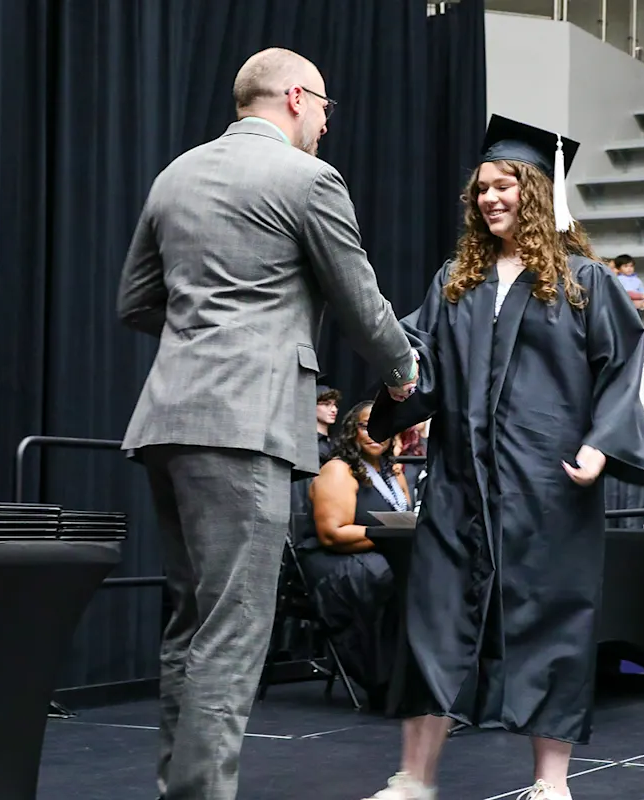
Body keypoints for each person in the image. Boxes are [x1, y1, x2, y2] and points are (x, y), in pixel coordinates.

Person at [116, 47, 418, 800]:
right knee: (234, 632)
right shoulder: (307, 178)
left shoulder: (175, 175)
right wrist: (405, 372)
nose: (324, 122)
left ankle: (177, 791)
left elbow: (135, 302)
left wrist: (207, 329)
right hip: (244, 425)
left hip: (169, 419)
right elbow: (361, 302)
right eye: (323, 106)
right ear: (293, 96)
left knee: (192, 626)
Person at [364, 115, 644, 800]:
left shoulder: (584, 282)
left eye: (505, 186)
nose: (490, 198)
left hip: (550, 488)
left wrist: (600, 445)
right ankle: (413, 779)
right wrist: (391, 374)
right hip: (459, 486)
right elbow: (419, 365)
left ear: (535, 191)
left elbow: (622, 371)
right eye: (481, 190)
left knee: (551, 623)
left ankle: (550, 784)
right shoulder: (455, 283)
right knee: (433, 625)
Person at [303, 401, 410, 710]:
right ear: (352, 431)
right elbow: (332, 534)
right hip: (335, 562)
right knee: (390, 580)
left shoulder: (394, 473)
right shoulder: (338, 470)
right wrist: (391, 538)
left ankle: (419, 679)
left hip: (385, 554)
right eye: (366, 425)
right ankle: (388, 682)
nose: (376, 432)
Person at [316, 384, 342, 465]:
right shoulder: (306, 442)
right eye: (326, 404)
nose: (334, 410)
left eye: (335, 405)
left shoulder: (337, 441)